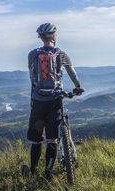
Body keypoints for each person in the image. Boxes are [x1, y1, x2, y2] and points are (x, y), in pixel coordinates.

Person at [27, 22, 84, 179]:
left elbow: (32, 77)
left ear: (40, 37)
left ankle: (32, 171)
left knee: (36, 140)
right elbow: (72, 73)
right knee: (52, 138)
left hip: (38, 101)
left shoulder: (32, 54)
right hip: (55, 101)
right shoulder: (62, 54)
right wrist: (78, 86)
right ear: (54, 36)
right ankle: (48, 172)